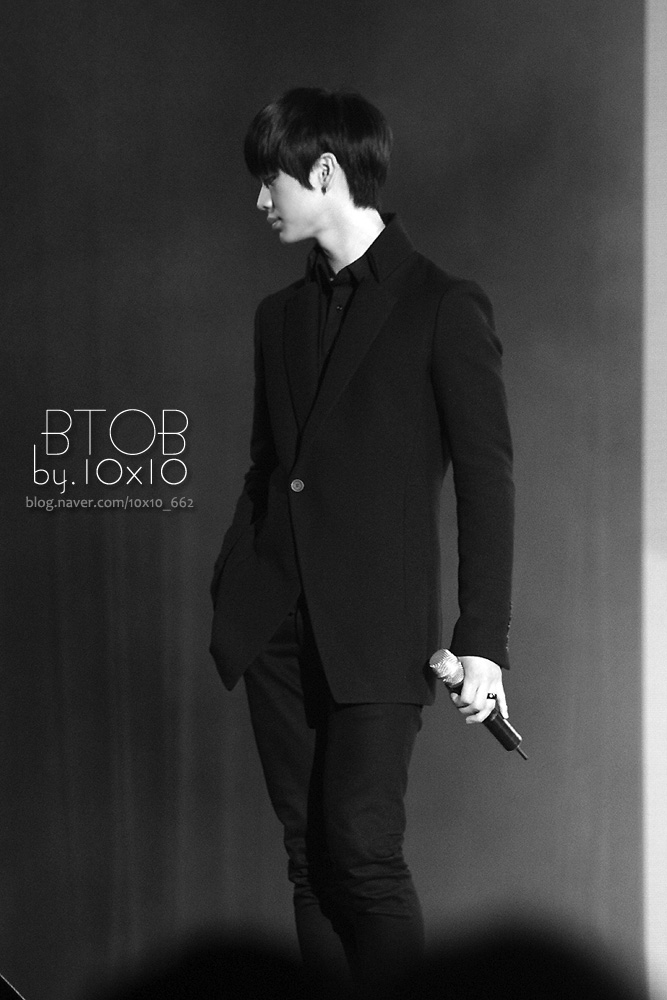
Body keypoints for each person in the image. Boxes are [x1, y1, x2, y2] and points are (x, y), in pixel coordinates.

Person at [209, 87, 514, 994]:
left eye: (269, 180)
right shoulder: (277, 317)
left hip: (379, 630)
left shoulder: (441, 304)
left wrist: (481, 640)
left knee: (360, 851)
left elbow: (487, 481)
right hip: (274, 623)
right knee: (308, 860)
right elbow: (268, 466)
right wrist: (236, 577)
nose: (259, 201)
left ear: (324, 171)